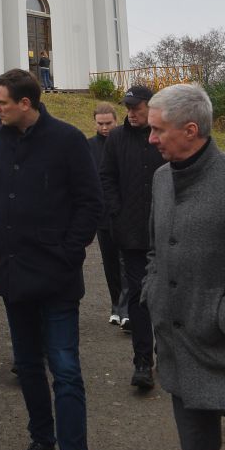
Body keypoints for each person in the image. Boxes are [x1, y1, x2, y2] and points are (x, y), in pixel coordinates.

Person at [0, 69, 101, 450]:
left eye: (1, 102)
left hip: (55, 280)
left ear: (26, 103)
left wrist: (67, 255)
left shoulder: (69, 140)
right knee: (29, 366)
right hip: (14, 276)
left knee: (66, 372)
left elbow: (91, 203)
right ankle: (42, 442)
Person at [143, 83, 225, 450]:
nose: (150, 139)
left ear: (190, 129)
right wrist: (154, 293)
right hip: (180, 354)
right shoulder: (161, 179)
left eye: (157, 130)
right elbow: (153, 250)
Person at [100, 84, 162, 389]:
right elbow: (106, 177)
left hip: (166, 233)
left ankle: (169, 354)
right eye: (128, 108)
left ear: (151, 106)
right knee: (137, 298)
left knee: (167, 296)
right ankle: (142, 362)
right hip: (132, 233)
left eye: (136, 108)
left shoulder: (163, 135)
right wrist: (117, 211)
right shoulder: (117, 138)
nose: (131, 113)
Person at [87, 105, 129, 327]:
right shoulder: (89, 146)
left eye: (108, 123)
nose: (104, 128)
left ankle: (126, 309)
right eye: (100, 123)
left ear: (116, 121)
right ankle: (116, 305)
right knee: (110, 263)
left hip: (124, 213)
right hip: (102, 217)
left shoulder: (125, 142)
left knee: (127, 263)